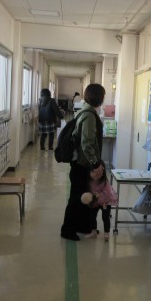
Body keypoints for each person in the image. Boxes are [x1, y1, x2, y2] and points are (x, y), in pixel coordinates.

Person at [60, 84, 106, 241]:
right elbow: (86, 143)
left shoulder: (86, 111)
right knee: (76, 197)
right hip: (81, 163)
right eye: (103, 96)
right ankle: (67, 230)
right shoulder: (89, 115)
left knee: (84, 196)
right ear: (97, 97)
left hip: (82, 162)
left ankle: (82, 225)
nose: (103, 98)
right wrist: (95, 163)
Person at [80, 160, 118, 241]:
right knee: (92, 216)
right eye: (93, 172)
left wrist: (97, 201)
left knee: (105, 217)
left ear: (102, 172)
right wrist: (91, 200)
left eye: (98, 173)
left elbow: (107, 195)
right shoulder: (89, 181)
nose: (95, 174)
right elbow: (89, 193)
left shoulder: (105, 183)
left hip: (106, 202)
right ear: (89, 172)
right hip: (96, 202)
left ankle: (106, 233)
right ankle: (93, 231)